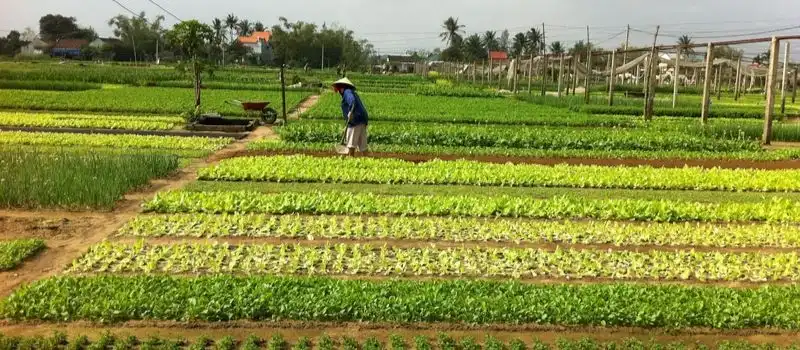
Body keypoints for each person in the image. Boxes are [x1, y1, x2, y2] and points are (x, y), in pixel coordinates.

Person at [332, 78, 369, 156]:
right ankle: (367, 160)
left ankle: (351, 159)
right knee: (363, 145)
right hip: (362, 119)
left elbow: (352, 101)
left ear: (341, 88)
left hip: (355, 120)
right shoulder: (351, 92)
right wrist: (346, 125)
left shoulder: (347, 92)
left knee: (351, 144)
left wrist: (350, 112)